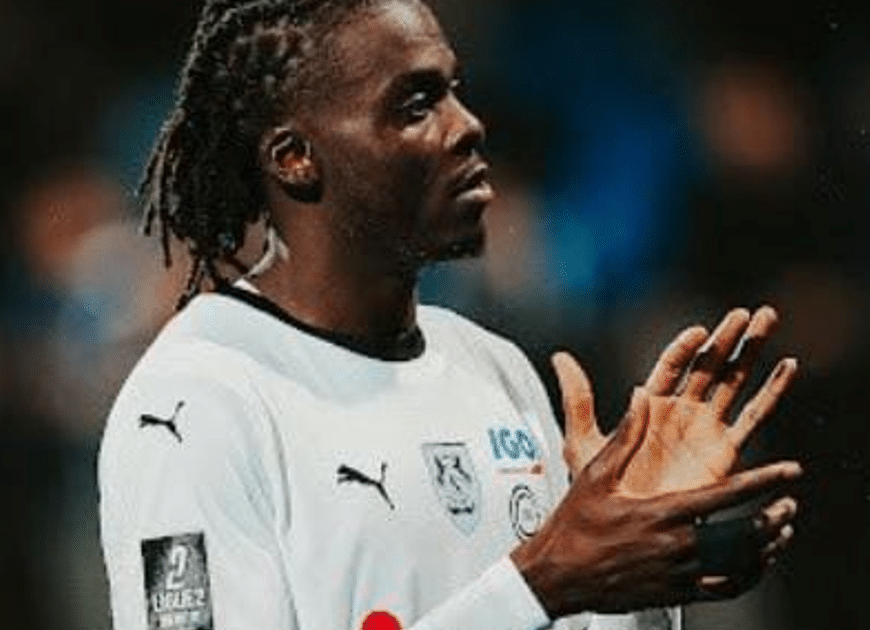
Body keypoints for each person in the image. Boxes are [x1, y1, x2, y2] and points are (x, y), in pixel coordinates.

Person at [97, 1, 803, 629]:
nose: (468, 125)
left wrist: (634, 569)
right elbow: (530, 597)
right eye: (415, 105)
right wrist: (541, 583)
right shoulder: (194, 403)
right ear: (295, 158)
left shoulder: (494, 368)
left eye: (454, 91)